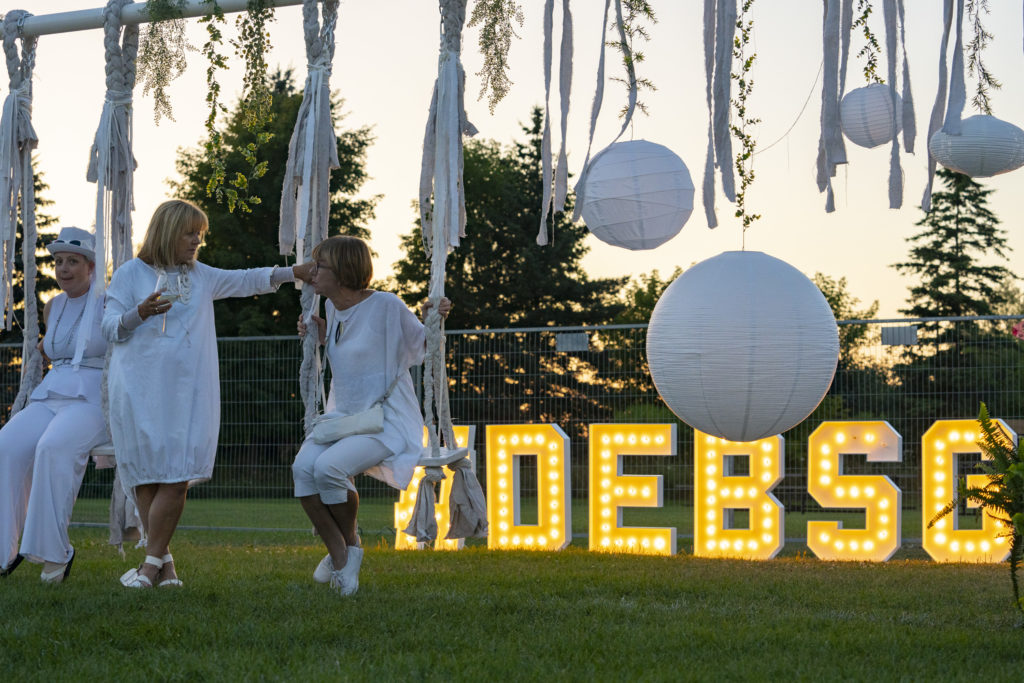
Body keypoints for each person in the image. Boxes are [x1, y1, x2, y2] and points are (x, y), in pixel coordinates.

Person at [102, 199, 312, 588]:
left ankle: (149, 566)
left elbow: (247, 279)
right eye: (189, 232)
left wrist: (292, 272)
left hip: (188, 392)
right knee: (147, 475)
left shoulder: (200, 275)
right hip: (138, 389)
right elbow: (109, 327)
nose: (197, 240)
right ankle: (165, 568)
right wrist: (140, 313)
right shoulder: (130, 274)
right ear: (167, 232)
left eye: (200, 233)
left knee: (177, 474)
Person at [293, 235, 450, 596]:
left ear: (344, 271)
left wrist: (433, 319)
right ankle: (344, 551)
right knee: (303, 471)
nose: (311, 273)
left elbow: (422, 346)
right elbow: (350, 352)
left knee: (328, 469)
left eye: (321, 266)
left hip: (385, 421)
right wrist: (317, 334)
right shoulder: (331, 309)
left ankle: (344, 554)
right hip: (343, 418)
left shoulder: (385, 306)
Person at [0, 228, 109, 583]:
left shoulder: (109, 301)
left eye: (72, 261)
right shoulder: (54, 305)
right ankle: (5, 550)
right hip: (51, 394)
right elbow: (53, 347)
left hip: (92, 397)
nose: (63, 268)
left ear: (91, 266)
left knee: (53, 447)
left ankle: (55, 553)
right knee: (7, 445)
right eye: (59, 261)